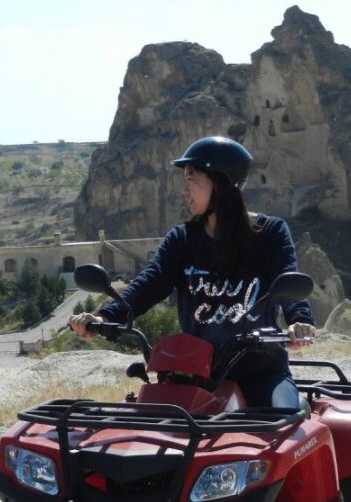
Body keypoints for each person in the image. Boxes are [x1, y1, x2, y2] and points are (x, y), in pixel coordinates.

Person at [69, 136, 315, 408]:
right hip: (194, 375)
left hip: (260, 373)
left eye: (191, 181)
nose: (184, 192)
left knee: (280, 423)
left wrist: (299, 321)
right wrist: (105, 316)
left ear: (221, 184)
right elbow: (150, 283)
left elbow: (288, 281)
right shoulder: (182, 239)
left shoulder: (270, 234)